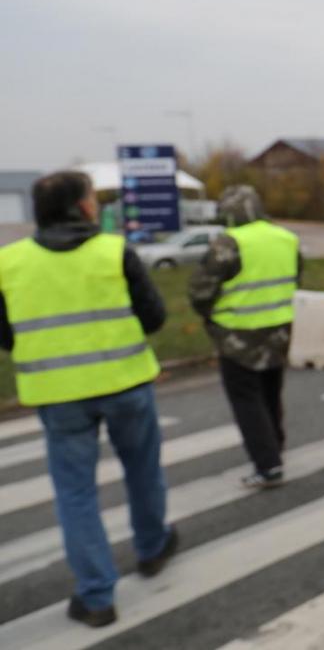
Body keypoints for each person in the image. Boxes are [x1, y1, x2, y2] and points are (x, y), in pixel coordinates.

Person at [0, 171, 178, 628]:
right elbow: (155, 318)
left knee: (75, 494)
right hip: (126, 385)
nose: (97, 206)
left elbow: (5, 336)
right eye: (92, 199)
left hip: (59, 398)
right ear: (81, 208)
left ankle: (97, 597)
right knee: (142, 472)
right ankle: (152, 549)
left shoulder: (8, 262)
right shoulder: (115, 252)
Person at [190, 186, 300, 490]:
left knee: (246, 400)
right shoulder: (286, 238)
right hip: (279, 329)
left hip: (237, 337)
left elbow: (200, 291)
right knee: (270, 394)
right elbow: (296, 277)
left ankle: (267, 466)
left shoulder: (229, 244)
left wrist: (211, 315)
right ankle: (275, 449)